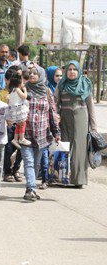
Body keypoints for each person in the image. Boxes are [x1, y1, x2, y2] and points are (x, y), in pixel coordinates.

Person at [55, 60, 97, 188]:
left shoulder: (85, 84)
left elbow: (91, 106)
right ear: (66, 71)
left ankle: (79, 180)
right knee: (64, 147)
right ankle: (62, 178)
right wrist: (55, 119)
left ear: (78, 71)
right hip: (65, 118)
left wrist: (93, 126)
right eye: (69, 69)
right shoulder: (61, 85)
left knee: (79, 149)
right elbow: (55, 103)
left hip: (81, 119)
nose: (72, 72)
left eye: (74, 69)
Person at [21, 65, 60, 200]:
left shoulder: (47, 92)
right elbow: (14, 106)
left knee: (36, 163)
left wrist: (56, 132)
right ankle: (30, 189)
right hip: (25, 133)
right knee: (29, 162)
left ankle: (31, 188)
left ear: (41, 76)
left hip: (43, 135)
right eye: (30, 73)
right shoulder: (23, 89)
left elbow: (52, 113)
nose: (32, 75)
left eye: (35, 73)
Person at [6, 73, 31, 148]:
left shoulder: (12, 91)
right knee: (23, 124)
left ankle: (15, 139)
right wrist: (25, 90)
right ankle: (22, 138)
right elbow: (24, 97)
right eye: (22, 82)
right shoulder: (17, 89)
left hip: (14, 111)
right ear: (19, 83)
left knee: (18, 125)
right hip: (18, 110)